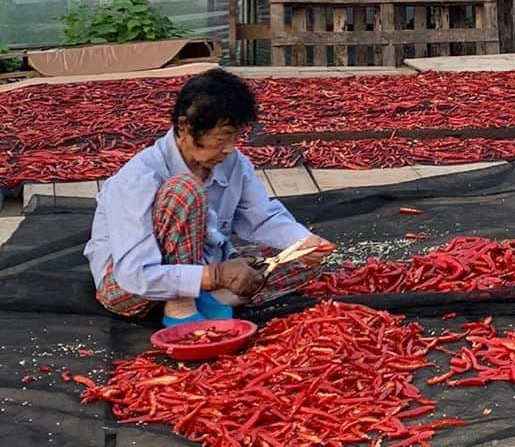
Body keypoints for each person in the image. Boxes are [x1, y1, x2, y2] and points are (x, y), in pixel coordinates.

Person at [85, 68, 334, 326]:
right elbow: (135, 275)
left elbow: (261, 217)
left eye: (235, 138)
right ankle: (182, 304)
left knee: (298, 262)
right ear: (184, 127)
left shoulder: (233, 163)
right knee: (185, 190)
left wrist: (301, 242)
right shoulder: (139, 177)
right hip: (129, 285)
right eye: (221, 139)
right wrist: (216, 276)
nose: (229, 149)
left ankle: (211, 296)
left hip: (205, 262)